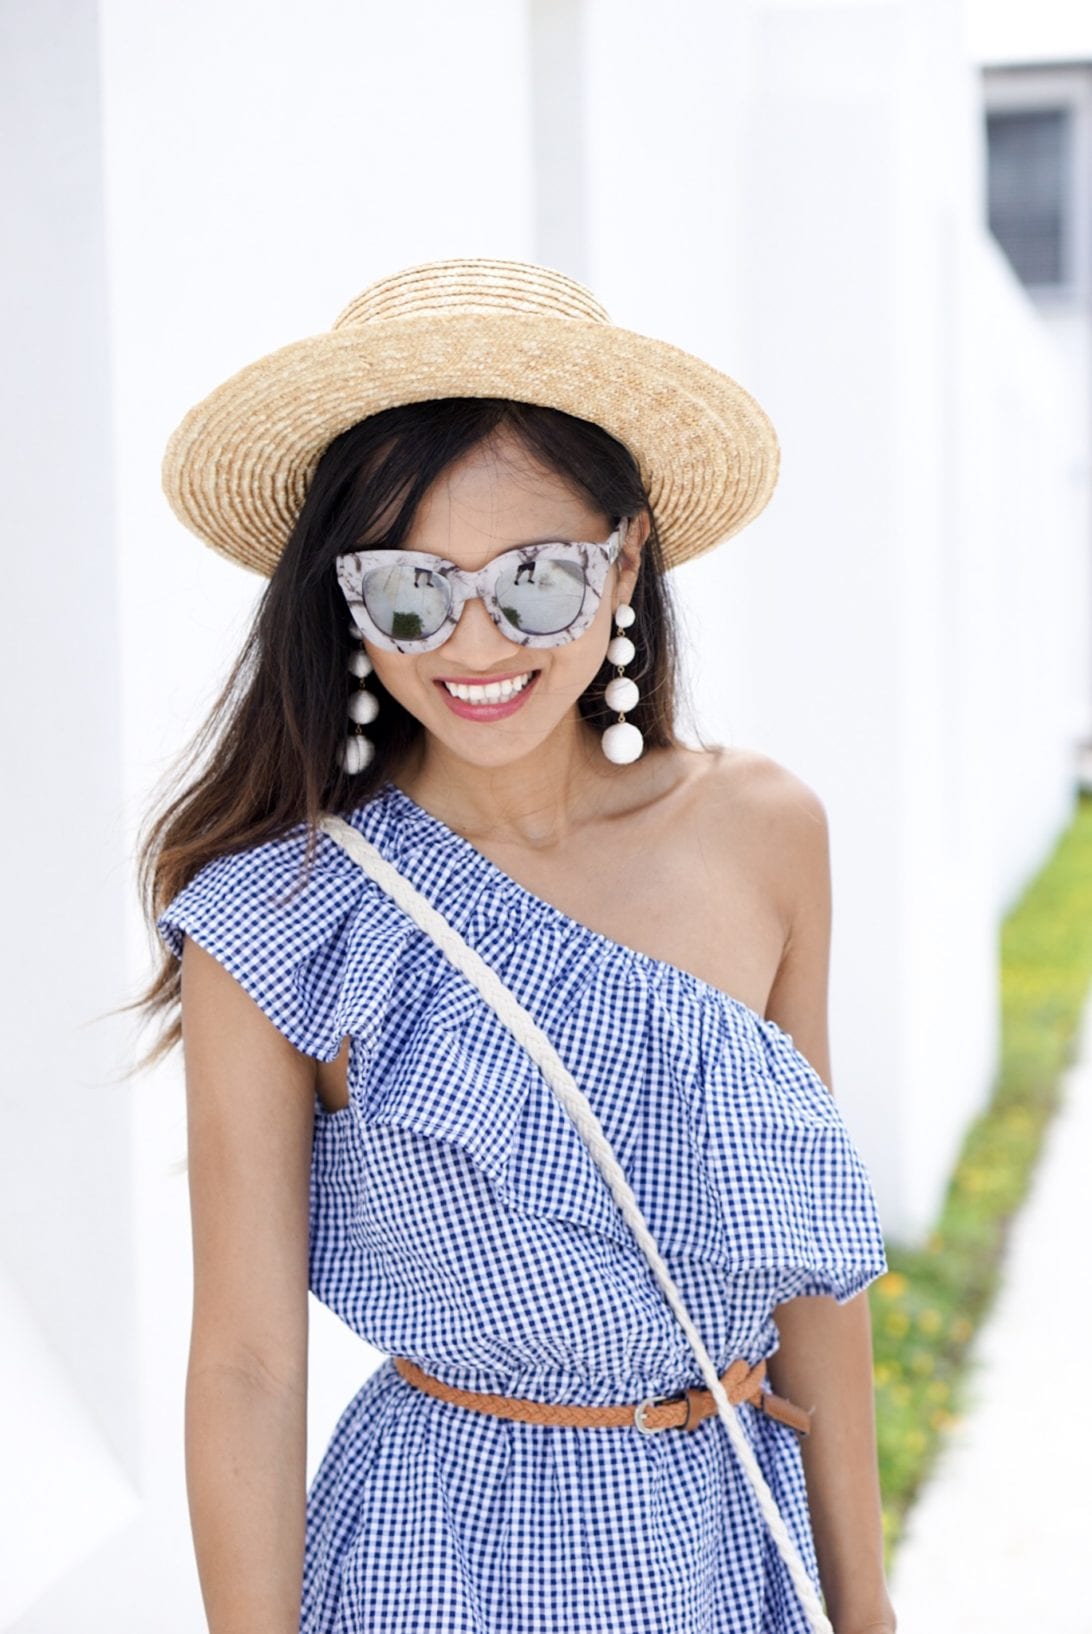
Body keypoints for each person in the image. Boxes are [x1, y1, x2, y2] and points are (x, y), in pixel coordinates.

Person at [135, 257, 897, 1634]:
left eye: (538, 580)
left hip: (724, 1543)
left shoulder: (764, 831)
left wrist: (867, 1608)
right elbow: (247, 1361)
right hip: (443, 1561)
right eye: (412, 591)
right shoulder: (279, 911)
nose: (476, 639)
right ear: (345, 602)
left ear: (628, 559)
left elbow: (810, 1260)